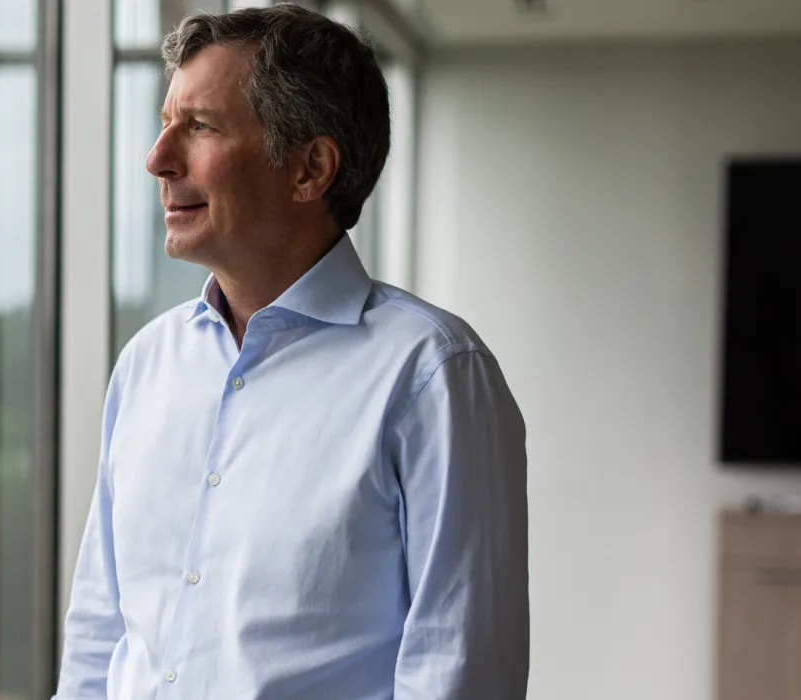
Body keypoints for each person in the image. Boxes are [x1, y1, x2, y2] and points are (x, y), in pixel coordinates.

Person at [52, 4, 528, 700]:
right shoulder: (146, 364)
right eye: (164, 125)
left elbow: (459, 672)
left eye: (201, 127)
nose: (158, 159)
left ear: (311, 169)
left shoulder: (433, 375)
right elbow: (101, 631)